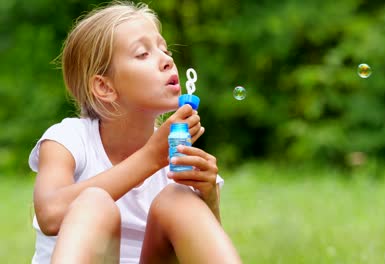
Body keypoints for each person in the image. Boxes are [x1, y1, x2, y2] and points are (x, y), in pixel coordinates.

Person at [28, 1, 242, 263]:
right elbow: (49, 214)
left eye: (165, 50)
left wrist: (208, 198)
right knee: (94, 202)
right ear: (105, 87)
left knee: (179, 198)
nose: (167, 60)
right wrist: (151, 157)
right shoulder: (68, 140)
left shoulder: (177, 157)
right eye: (143, 54)